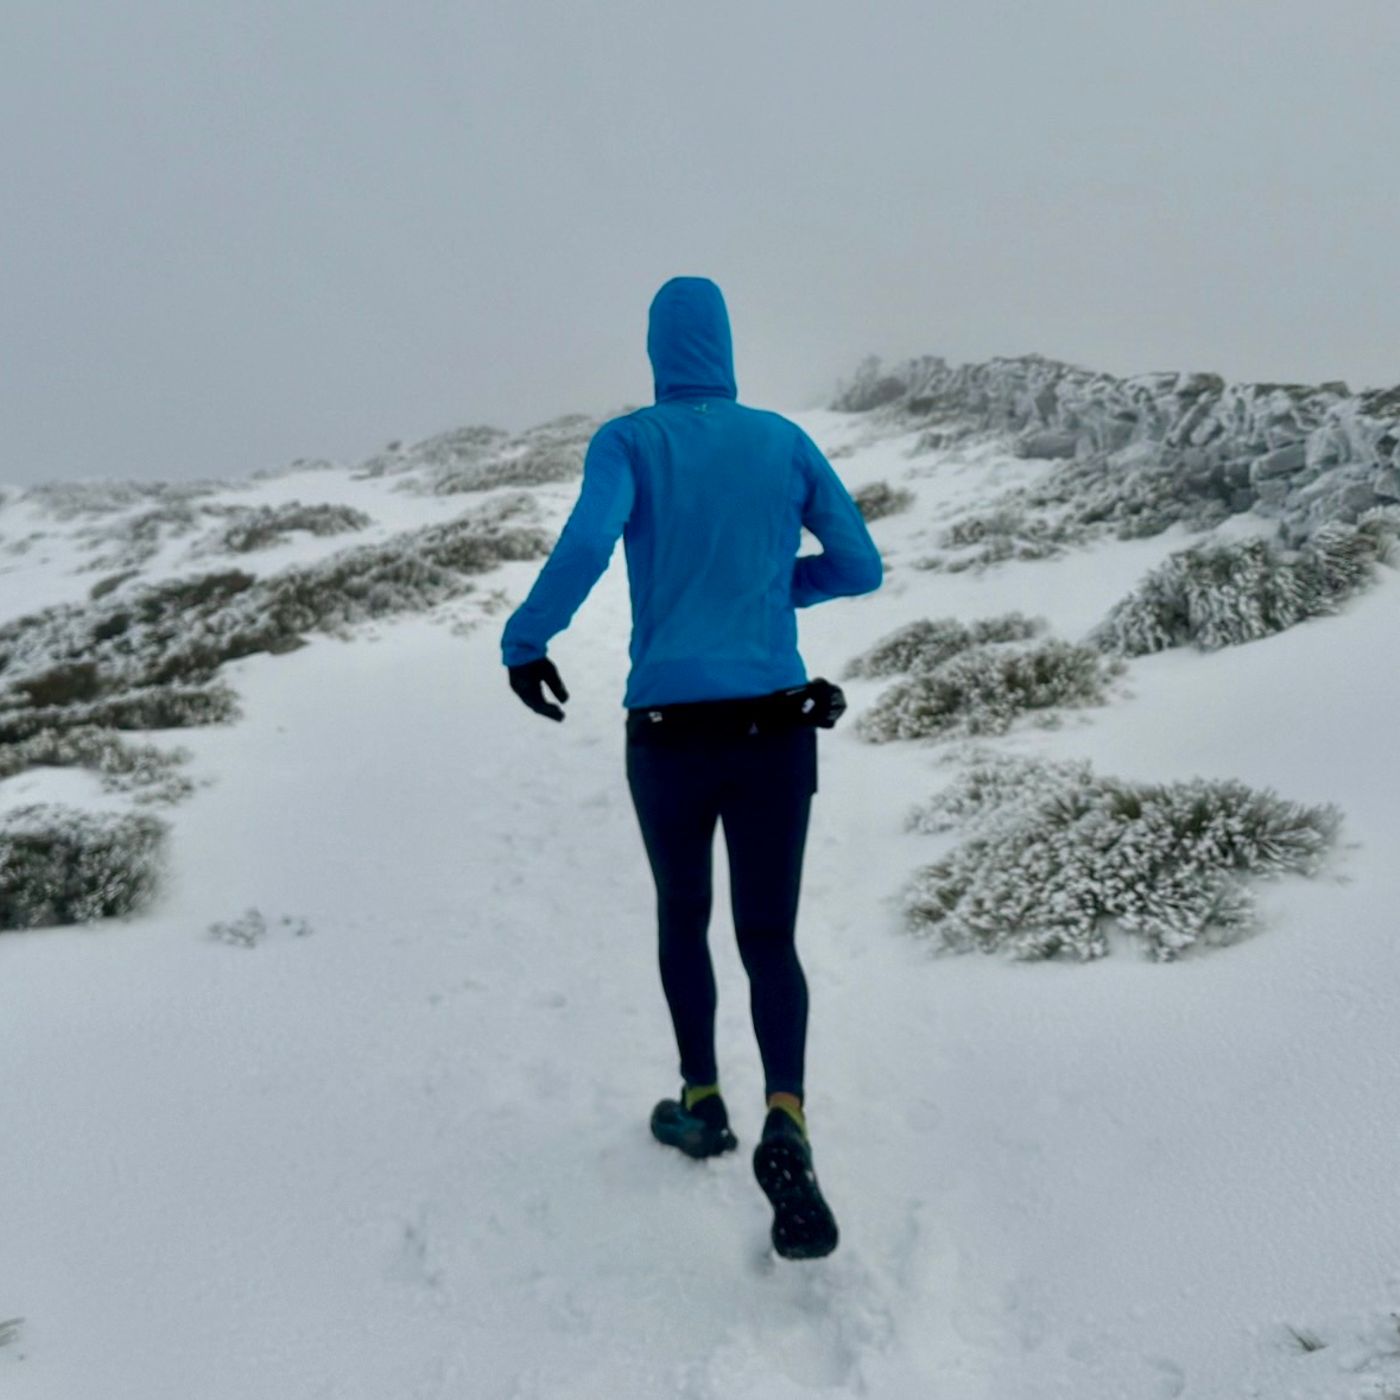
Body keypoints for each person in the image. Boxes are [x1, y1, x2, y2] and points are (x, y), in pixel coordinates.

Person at [501, 276, 883, 1260]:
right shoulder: (782, 441)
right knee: (768, 934)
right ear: (724, 344)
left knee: (684, 917)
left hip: (667, 733)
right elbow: (856, 565)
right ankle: (786, 1117)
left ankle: (702, 1101)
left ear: (658, 351)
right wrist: (763, 593)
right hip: (773, 727)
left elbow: (588, 541)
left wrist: (525, 637)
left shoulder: (628, 441)